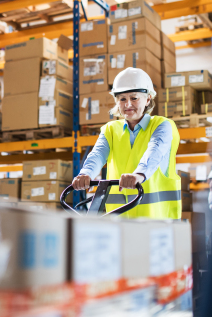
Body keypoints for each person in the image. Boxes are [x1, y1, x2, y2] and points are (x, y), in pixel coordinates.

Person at [71, 67, 182, 219]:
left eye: (134, 98)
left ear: (148, 99)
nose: (128, 104)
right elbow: (97, 154)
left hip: (157, 222)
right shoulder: (110, 130)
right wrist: (85, 174)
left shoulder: (162, 126)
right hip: (119, 223)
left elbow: (154, 152)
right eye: (122, 99)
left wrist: (139, 175)